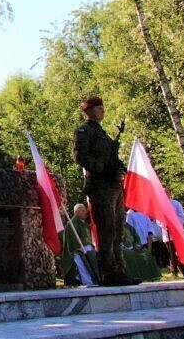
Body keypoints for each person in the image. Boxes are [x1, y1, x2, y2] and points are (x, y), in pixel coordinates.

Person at [73, 96, 139, 286]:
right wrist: (102, 169)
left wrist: (118, 169)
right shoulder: (84, 132)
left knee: (118, 228)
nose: (103, 111)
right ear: (90, 111)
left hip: (113, 186)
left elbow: (112, 157)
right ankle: (109, 272)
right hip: (100, 186)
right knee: (106, 229)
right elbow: (81, 156)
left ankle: (120, 269)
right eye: (99, 108)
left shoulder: (104, 134)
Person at [60, 203, 95, 285]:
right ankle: (87, 282)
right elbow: (72, 240)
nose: (85, 212)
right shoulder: (71, 224)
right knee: (83, 266)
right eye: (82, 210)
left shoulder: (84, 224)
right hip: (78, 252)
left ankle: (93, 281)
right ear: (76, 212)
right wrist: (80, 249)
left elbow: (87, 238)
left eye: (85, 210)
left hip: (88, 250)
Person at [163, 187, 184, 277]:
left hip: (177, 232)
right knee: (171, 253)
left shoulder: (176, 204)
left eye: (167, 192)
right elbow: (158, 219)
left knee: (180, 252)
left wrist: (174, 223)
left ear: (170, 193)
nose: (165, 194)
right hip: (167, 233)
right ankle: (174, 272)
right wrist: (165, 225)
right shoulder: (160, 204)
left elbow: (182, 217)